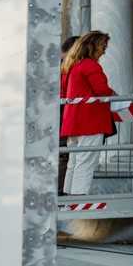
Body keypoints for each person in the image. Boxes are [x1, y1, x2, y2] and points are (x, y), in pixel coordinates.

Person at [60, 31, 115, 196]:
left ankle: (69, 200)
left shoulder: (70, 66)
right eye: (103, 46)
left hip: (73, 122)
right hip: (90, 122)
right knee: (86, 162)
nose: (104, 51)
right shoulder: (91, 65)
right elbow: (102, 91)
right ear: (92, 46)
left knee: (74, 162)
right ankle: (79, 201)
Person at [58, 35, 79, 194]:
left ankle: (62, 193)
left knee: (64, 155)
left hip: (60, 116)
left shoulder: (59, 64)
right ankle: (61, 193)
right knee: (64, 155)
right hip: (61, 117)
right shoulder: (66, 66)